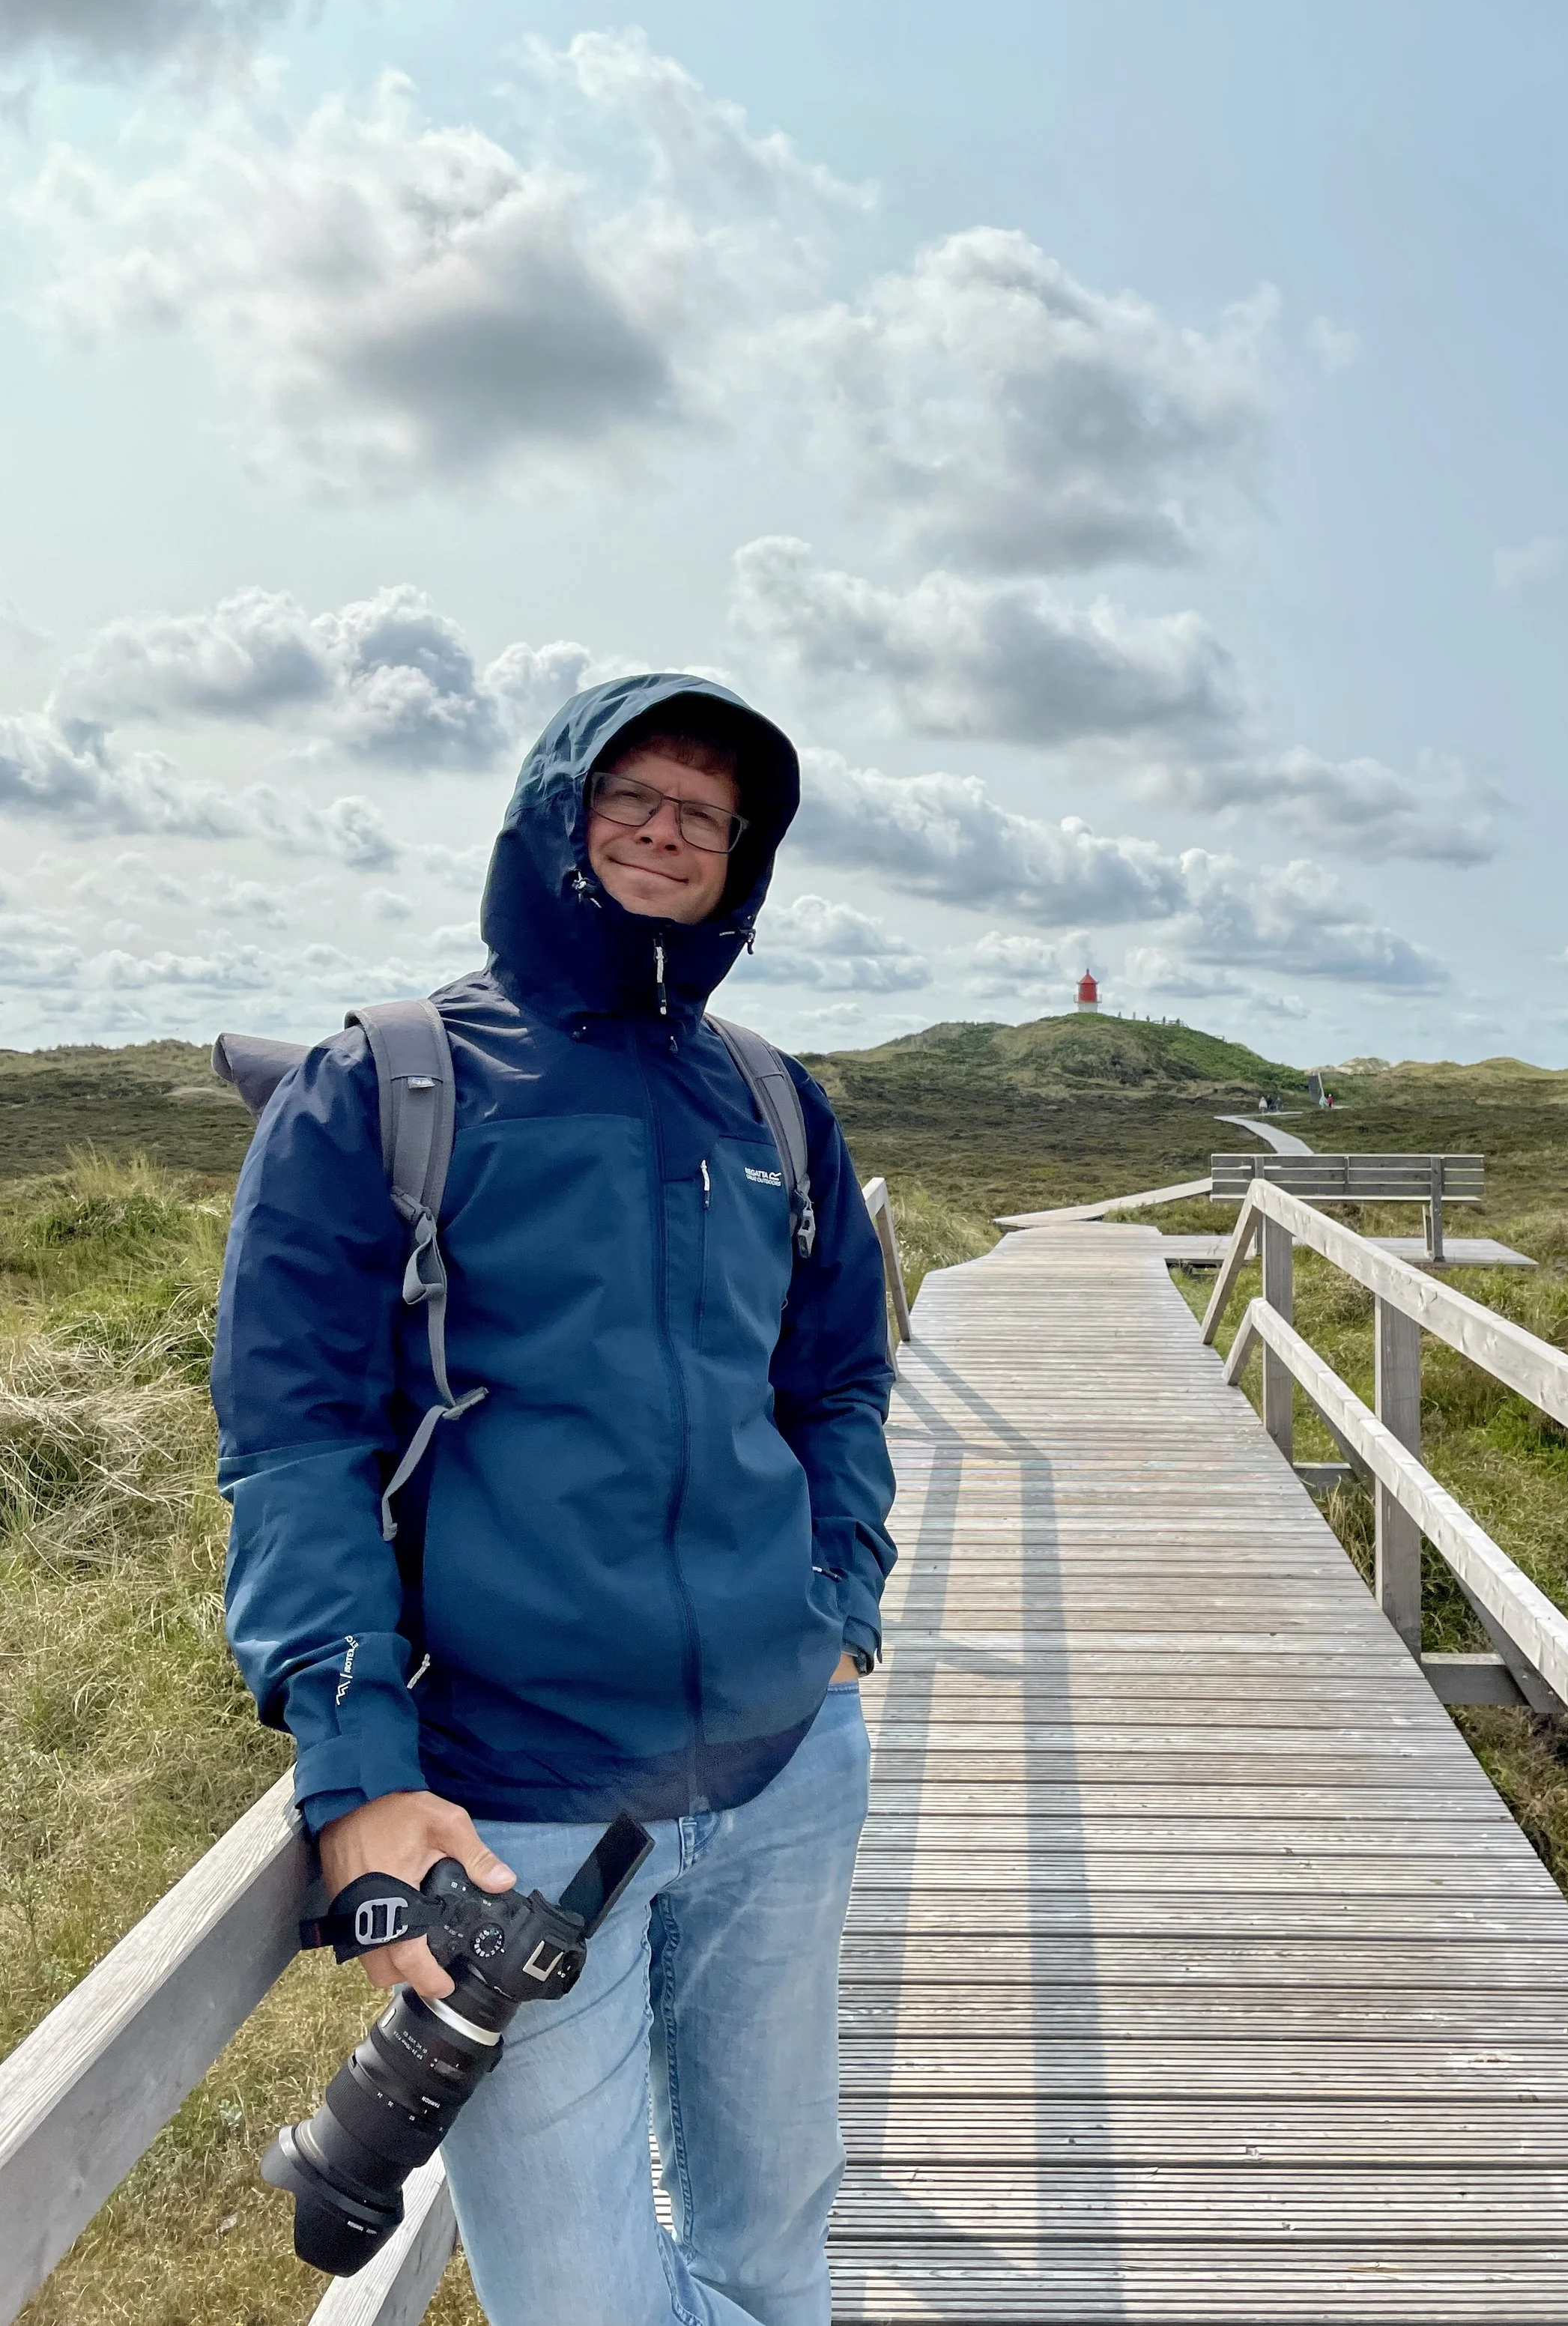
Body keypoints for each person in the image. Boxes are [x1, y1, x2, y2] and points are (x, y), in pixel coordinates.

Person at [214, 676, 897, 2325]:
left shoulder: (773, 1103)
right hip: (514, 1807)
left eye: (706, 815)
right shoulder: (380, 1084)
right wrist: (356, 1771)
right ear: (553, 815)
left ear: (745, 856)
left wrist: (841, 1606)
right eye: (631, 796)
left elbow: (835, 1385)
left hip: (781, 1769)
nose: (668, 832)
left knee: (767, 2241)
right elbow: (294, 1441)